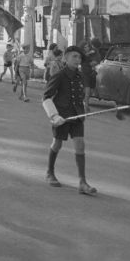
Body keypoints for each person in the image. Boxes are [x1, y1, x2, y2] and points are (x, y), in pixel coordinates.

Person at [42, 46, 97, 195]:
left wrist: (85, 107)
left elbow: (78, 96)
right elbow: (46, 97)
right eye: (74, 57)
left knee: (80, 144)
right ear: (65, 58)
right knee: (57, 143)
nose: (77, 60)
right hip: (61, 116)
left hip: (77, 116)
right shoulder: (59, 76)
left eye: (79, 58)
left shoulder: (80, 76)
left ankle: (82, 182)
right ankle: (50, 172)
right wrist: (54, 116)